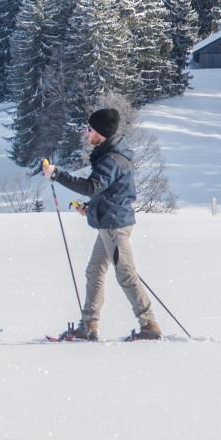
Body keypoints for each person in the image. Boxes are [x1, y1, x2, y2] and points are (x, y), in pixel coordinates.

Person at [43, 107, 160, 342]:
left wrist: (58, 175)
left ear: (102, 133)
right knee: (94, 271)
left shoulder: (111, 158)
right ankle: (89, 325)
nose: (87, 133)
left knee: (125, 274)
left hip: (114, 226)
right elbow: (109, 191)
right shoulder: (111, 154)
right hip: (109, 222)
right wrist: (90, 207)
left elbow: (92, 186)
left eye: (91, 130)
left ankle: (149, 324)